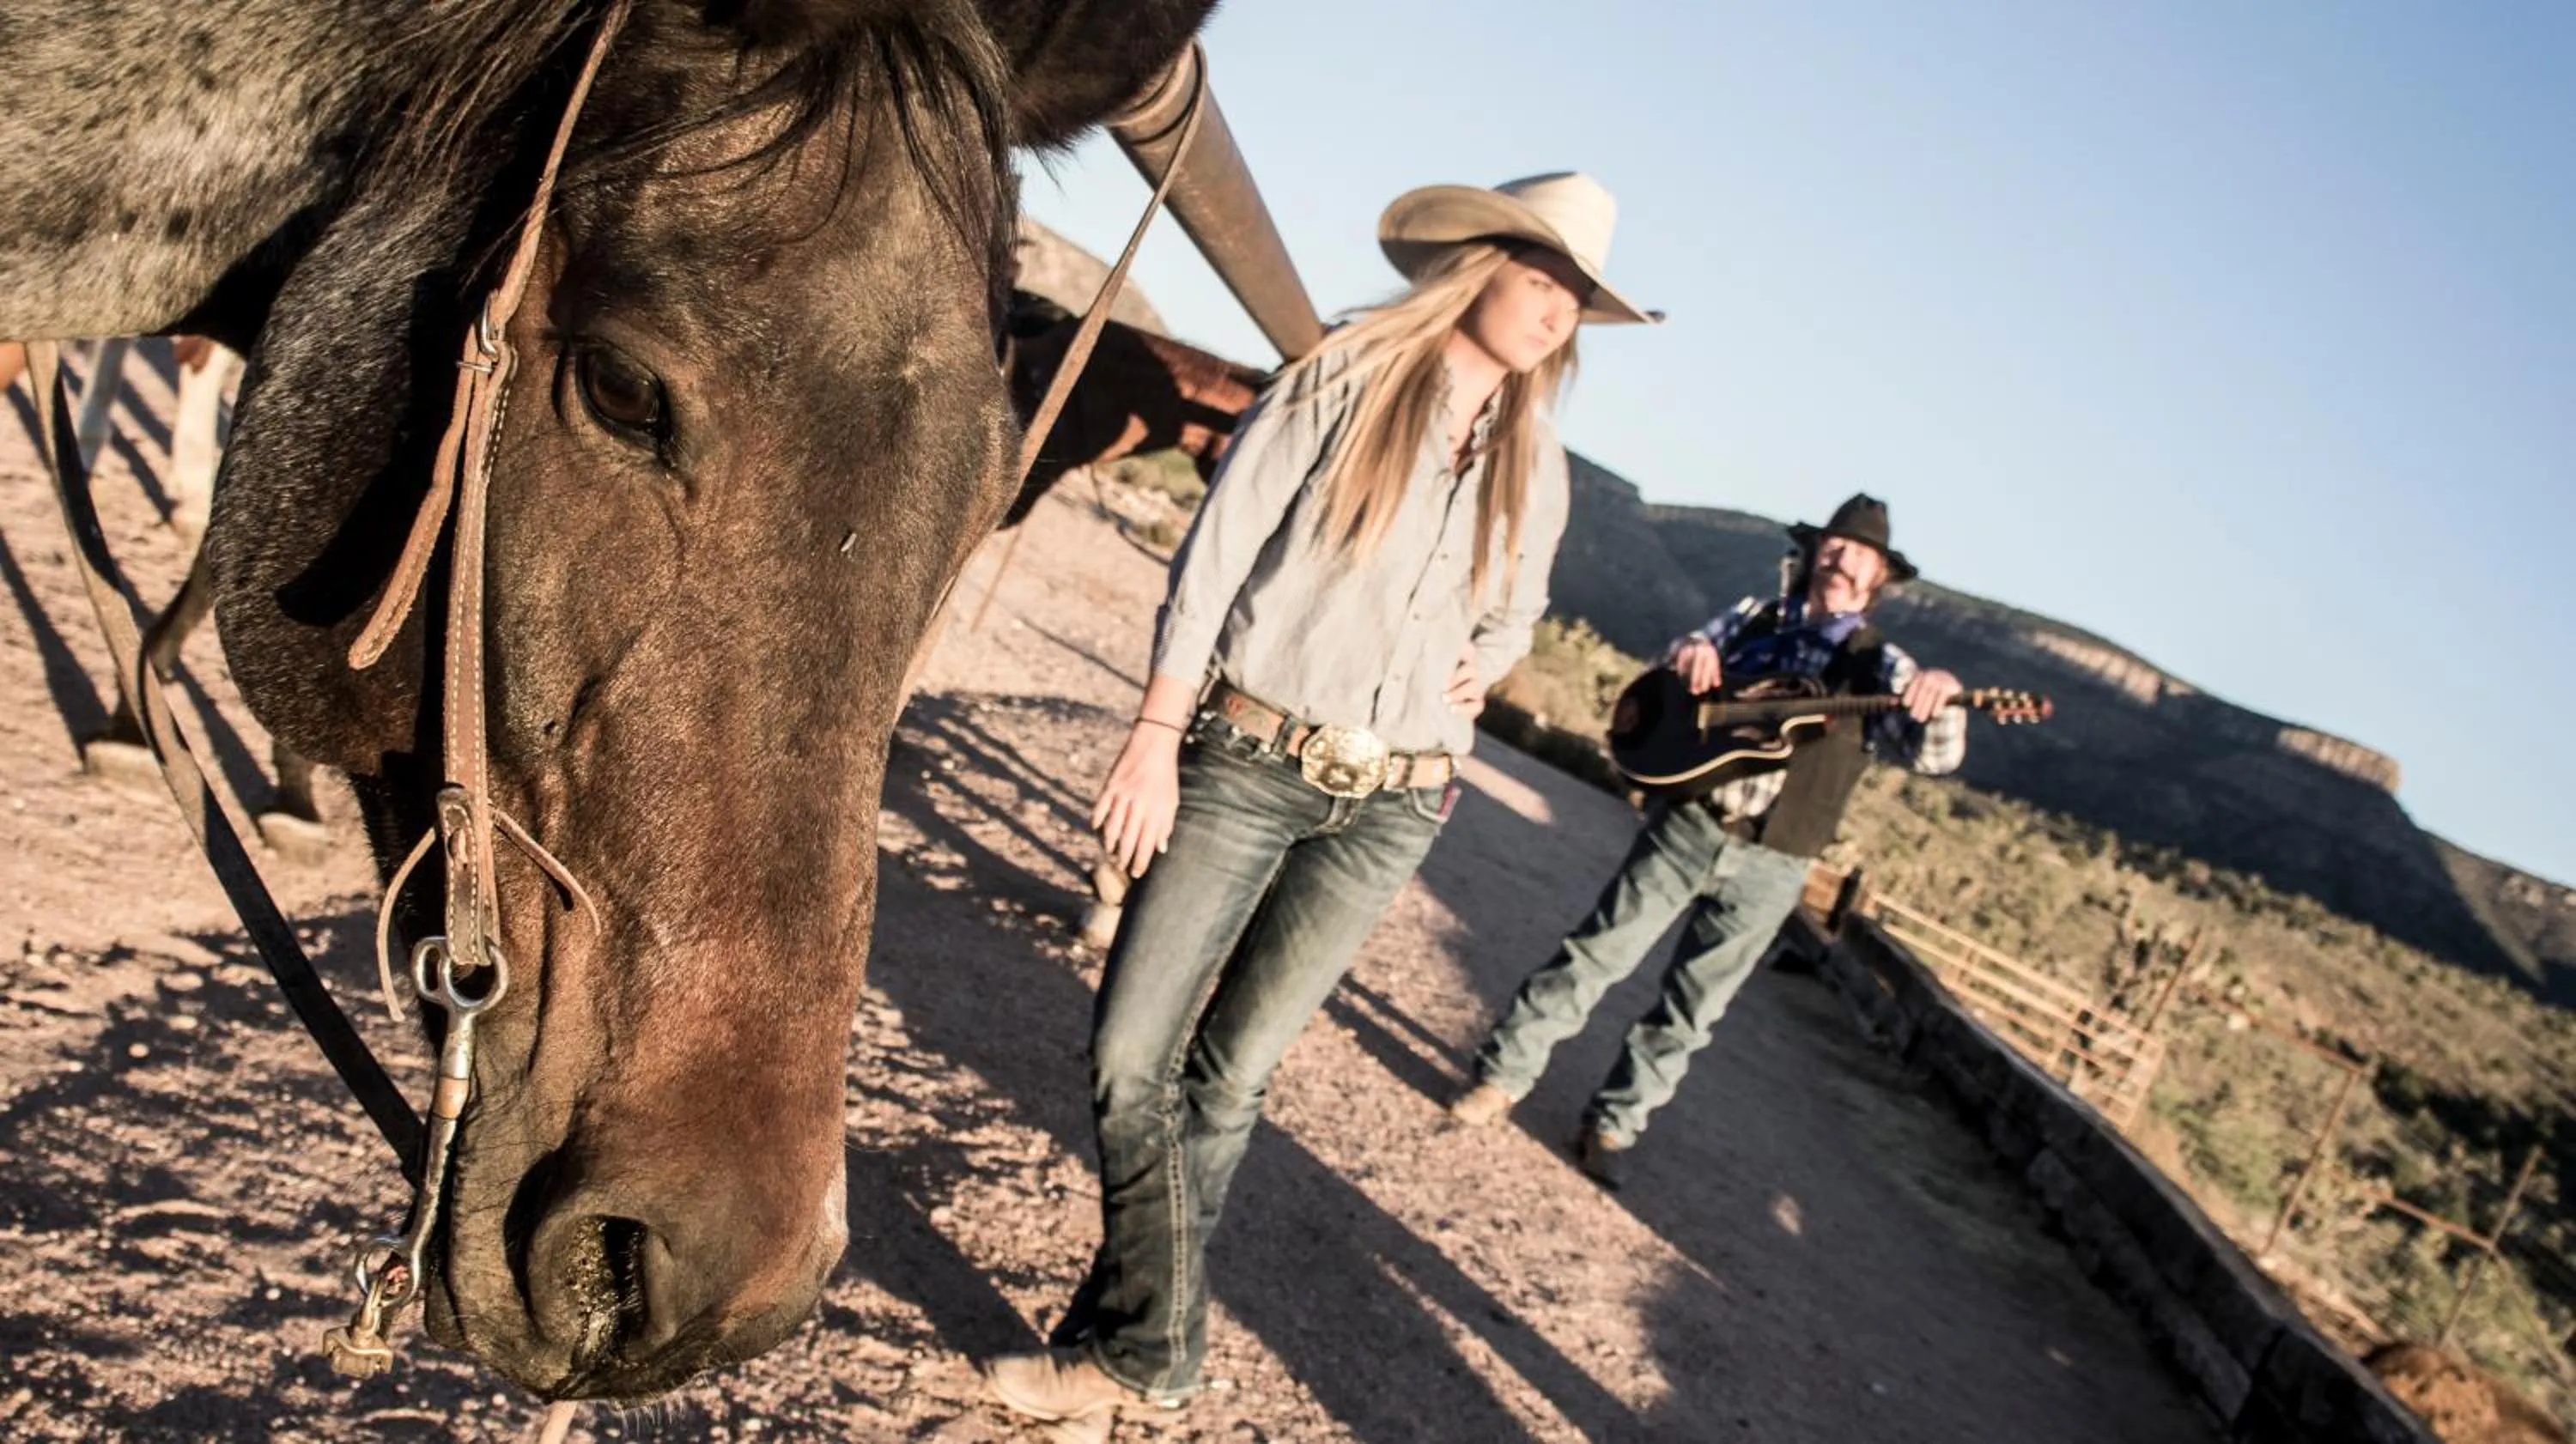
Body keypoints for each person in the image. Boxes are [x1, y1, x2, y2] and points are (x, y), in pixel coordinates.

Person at [981, 172, 1660, 1434]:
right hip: (1247, 759)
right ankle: (1156, 1349)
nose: (1560, 310)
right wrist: (1152, 739)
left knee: (1229, 1080)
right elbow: (1218, 554)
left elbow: (1515, 613)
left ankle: (1111, 1347)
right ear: (1480, 264)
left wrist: (1484, 673)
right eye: (1546, 277)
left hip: (1393, 805)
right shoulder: (1340, 380)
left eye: (1579, 296)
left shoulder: (1539, 461)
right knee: (1135, 1053)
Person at [1449, 494, 1965, 1189]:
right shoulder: (1753, 617)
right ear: (1816, 554)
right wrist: (1689, 651)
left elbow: (1932, 755)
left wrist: (1941, 694)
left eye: (1860, 554)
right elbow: (1674, 669)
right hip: (1690, 825)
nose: (1842, 560)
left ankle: (1612, 1128)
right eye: (1835, 546)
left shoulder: (1883, 669)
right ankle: (1501, 1079)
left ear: (1879, 578)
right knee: (1595, 954)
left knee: (1691, 1011)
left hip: (1776, 864)